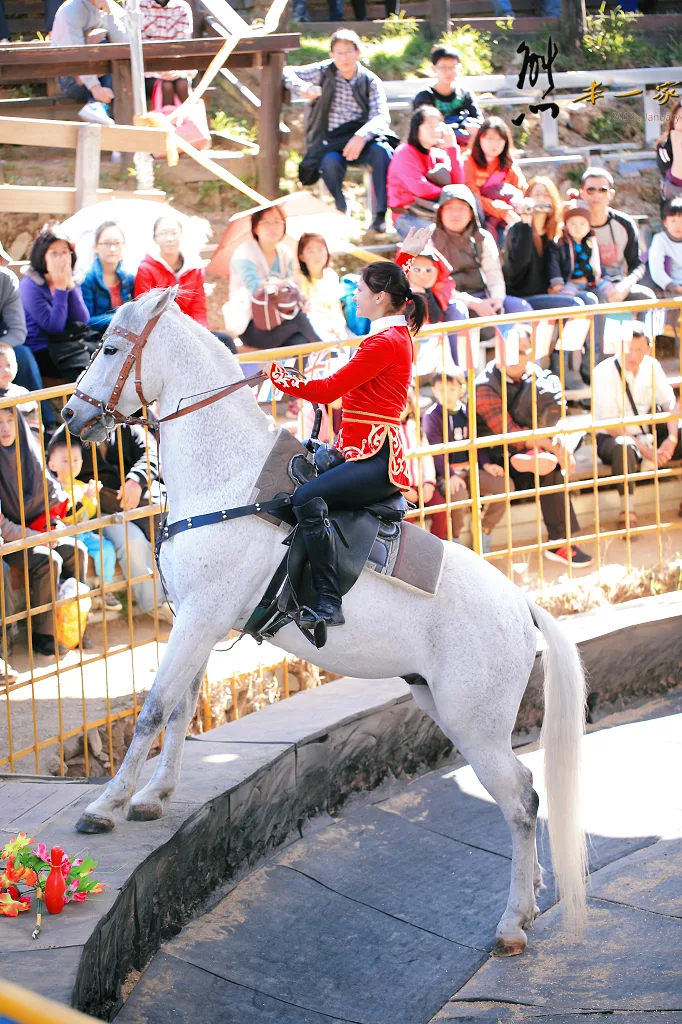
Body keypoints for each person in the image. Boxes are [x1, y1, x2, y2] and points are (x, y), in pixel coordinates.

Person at [265, 225, 431, 628]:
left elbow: (329, 389)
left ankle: (328, 601)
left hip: (375, 458)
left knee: (306, 498)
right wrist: (401, 257)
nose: (353, 295)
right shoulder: (391, 331)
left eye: (359, 290)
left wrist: (277, 375)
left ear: (378, 298)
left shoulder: (384, 343)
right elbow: (390, 287)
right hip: (361, 450)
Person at [475, 331, 592, 568]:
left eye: (521, 351)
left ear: (531, 353)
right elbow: (509, 433)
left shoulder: (540, 377)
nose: (515, 357)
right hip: (497, 458)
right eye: (509, 351)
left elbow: (556, 414)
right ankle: (560, 542)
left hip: (537, 449)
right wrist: (549, 444)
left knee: (550, 461)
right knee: (546, 462)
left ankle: (560, 541)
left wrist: (559, 442)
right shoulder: (484, 386)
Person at [0, 406, 89, 658]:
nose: (6, 428)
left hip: (38, 532)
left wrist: (54, 528)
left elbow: (52, 504)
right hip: (11, 540)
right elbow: (3, 525)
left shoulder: (30, 454)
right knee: (49, 560)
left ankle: (72, 625)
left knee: (77, 550)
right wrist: (35, 536)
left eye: (10, 420)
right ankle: (43, 634)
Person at [284, 29, 394, 233]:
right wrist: (303, 88)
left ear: (358, 53)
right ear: (331, 54)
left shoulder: (370, 81)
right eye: (339, 52)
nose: (344, 58)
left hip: (362, 137)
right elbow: (287, 72)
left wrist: (361, 136)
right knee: (329, 162)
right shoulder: (323, 71)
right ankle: (340, 205)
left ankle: (380, 215)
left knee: (383, 153)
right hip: (332, 139)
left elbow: (381, 115)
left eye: (348, 52)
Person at [76, 423, 173, 622]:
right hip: (102, 511)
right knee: (132, 542)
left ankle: (181, 597)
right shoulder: (68, 435)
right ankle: (158, 604)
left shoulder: (128, 428)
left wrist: (136, 480)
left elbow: (151, 452)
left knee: (172, 526)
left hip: (144, 501)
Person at [593, 325, 680, 529]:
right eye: (628, 348)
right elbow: (611, 425)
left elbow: (670, 404)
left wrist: (672, 438)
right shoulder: (603, 372)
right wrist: (648, 452)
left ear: (648, 348)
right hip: (613, 437)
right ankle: (628, 509)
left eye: (638, 349)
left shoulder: (652, 366)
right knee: (624, 447)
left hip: (649, 431)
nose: (632, 355)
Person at [433, 185, 533, 340]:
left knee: (520, 308)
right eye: (449, 208)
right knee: (457, 312)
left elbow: (494, 274)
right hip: (449, 300)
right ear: (440, 212)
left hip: (484, 296)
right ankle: (460, 364)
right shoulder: (430, 239)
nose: (455, 214)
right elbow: (435, 284)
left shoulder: (483, 238)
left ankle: (527, 362)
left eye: (462, 208)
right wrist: (473, 303)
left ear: (471, 213)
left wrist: (497, 300)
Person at [422, 369, 507, 553]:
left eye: (452, 389)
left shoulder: (467, 412)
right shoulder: (432, 417)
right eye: (440, 389)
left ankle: (484, 530)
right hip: (446, 473)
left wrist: (486, 465)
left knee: (505, 485)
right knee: (458, 496)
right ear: (434, 391)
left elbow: (475, 444)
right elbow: (435, 453)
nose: (446, 394)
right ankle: (454, 540)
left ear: (461, 389)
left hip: (470, 469)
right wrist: (450, 475)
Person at [225, 206, 323, 352]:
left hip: (279, 320)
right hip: (251, 326)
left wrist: (301, 298)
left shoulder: (285, 254)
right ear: (256, 227)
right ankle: (328, 352)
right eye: (266, 222)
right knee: (300, 320)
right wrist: (286, 282)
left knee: (300, 341)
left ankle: (302, 373)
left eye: (277, 222)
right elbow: (255, 288)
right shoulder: (244, 252)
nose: (273, 227)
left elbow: (290, 292)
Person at [46, 430, 123, 611]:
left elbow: (89, 513)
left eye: (76, 460)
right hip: (66, 537)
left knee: (107, 548)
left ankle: (105, 589)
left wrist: (92, 497)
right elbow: (66, 514)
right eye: (66, 461)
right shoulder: (54, 489)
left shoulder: (80, 486)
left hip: (85, 534)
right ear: (52, 464)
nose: (72, 465)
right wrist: (86, 499)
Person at [19, 229, 97, 383]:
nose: (61, 258)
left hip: (70, 342)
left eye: (65, 252)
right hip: (43, 348)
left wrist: (70, 286)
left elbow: (82, 319)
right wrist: (61, 289)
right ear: (42, 256)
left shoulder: (71, 276)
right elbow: (54, 327)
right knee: (86, 373)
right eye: (54, 253)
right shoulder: (30, 284)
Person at [579, 167, 656, 312]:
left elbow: (637, 265)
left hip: (618, 284)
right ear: (582, 193)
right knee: (596, 299)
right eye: (590, 190)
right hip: (588, 286)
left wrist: (625, 286)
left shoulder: (625, 224)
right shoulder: (575, 223)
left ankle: (641, 335)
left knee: (646, 297)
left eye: (602, 190)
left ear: (611, 194)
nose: (596, 195)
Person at [547, 197, 605, 382]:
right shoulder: (560, 244)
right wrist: (558, 284)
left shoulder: (590, 243)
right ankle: (563, 367)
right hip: (568, 284)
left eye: (583, 223)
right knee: (575, 305)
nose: (578, 227)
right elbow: (554, 265)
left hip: (589, 284)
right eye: (573, 223)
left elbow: (596, 267)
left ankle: (593, 358)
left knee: (601, 300)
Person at [387, 105, 464, 239]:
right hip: (408, 215)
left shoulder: (439, 154)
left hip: (436, 212)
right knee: (439, 237)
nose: (436, 130)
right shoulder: (404, 152)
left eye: (439, 125)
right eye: (430, 125)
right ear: (416, 128)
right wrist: (449, 194)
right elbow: (419, 188)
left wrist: (452, 148)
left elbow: (458, 185)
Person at [0, 253, 57, 429]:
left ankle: (45, 424)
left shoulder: (6, 280)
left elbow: (18, 330)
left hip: (2, 345)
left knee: (22, 356)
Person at [50, 0, 127, 125]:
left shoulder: (110, 7)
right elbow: (75, 56)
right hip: (72, 78)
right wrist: (95, 88)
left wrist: (109, 14)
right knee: (101, 44)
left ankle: (99, 106)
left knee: (105, 44)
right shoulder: (70, 10)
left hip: (105, 76)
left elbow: (123, 44)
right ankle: (95, 105)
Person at [463, 117, 527, 244]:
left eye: (499, 139)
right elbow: (473, 196)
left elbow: (522, 190)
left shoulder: (508, 165)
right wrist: (502, 211)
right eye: (490, 138)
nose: (495, 144)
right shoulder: (467, 162)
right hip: (479, 217)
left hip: (507, 217)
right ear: (479, 138)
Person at [412, 46, 482, 146]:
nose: (449, 72)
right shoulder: (425, 96)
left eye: (453, 67)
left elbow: (478, 119)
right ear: (434, 69)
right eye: (443, 67)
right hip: (437, 143)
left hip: (465, 140)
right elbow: (422, 129)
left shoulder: (465, 93)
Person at [81, 222, 135, 338]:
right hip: (97, 340)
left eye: (117, 243)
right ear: (95, 247)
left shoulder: (129, 278)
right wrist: (118, 317)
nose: (113, 248)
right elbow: (85, 320)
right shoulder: (87, 279)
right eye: (107, 243)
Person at [296, 233, 350, 344]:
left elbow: (336, 308)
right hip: (312, 332)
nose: (317, 255)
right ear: (302, 256)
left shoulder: (331, 275)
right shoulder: (298, 279)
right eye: (311, 251)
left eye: (321, 250)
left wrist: (338, 327)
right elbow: (307, 313)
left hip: (335, 331)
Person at [139, 0, 194, 105]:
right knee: (166, 86)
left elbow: (183, 44)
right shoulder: (139, 6)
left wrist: (174, 68)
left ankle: (188, 119)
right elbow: (139, 42)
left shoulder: (181, 7)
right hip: (147, 69)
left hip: (175, 66)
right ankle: (167, 119)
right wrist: (160, 69)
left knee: (182, 84)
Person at [399, 386, 436, 515]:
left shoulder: (416, 428)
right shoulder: (386, 432)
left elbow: (427, 458)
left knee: (441, 509)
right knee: (406, 517)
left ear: (409, 406)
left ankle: (442, 536)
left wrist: (429, 483)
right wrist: (403, 490)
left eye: (402, 403)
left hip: (422, 484)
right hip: (400, 490)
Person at [648, 195, 682, 298]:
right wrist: (676, 287)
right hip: (671, 287)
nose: (678, 225)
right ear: (665, 222)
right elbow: (657, 271)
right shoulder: (660, 240)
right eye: (673, 221)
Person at [655, 100, 682, 212]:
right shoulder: (665, 146)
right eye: (680, 118)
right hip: (675, 210)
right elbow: (677, 179)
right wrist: (677, 142)